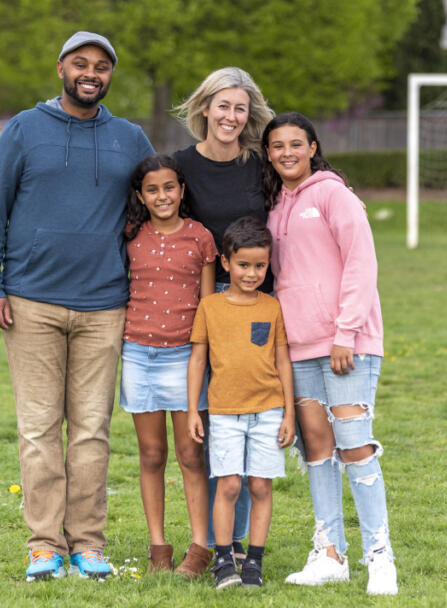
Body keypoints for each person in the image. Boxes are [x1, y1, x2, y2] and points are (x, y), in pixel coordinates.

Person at [0, 31, 154, 582]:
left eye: (101, 66)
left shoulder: (131, 139)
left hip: (105, 306)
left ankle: (88, 545)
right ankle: (44, 545)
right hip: (30, 304)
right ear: (61, 69)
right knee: (37, 430)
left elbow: (158, 205)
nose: (91, 73)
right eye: (81, 63)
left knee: (93, 430)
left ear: (109, 76)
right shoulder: (24, 130)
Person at [262, 112, 398, 595]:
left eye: (295, 144)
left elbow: (363, 262)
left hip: (346, 344)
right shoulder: (274, 205)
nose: (286, 153)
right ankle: (330, 554)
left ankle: (380, 556)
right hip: (297, 350)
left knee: (355, 446)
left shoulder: (333, 194)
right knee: (316, 449)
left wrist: (346, 332)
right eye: (276, 146)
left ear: (313, 146)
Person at [173, 66, 275, 562]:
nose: (231, 116)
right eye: (223, 106)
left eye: (240, 108)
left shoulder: (260, 167)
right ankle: (213, 542)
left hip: (254, 309)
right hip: (201, 310)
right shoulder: (181, 167)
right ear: (205, 108)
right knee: (210, 428)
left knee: (245, 421)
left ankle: (230, 545)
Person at [120, 154, 217, 577]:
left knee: (191, 454)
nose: (163, 196)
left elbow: (209, 308)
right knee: (152, 453)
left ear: (181, 190)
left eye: (170, 187)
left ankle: (200, 546)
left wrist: (202, 355)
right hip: (138, 354)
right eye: (153, 189)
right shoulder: (130, 236)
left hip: (184, 357)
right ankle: (158, 546)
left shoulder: (200, 238)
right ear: (141, 195)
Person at [187, 216, 295, 589]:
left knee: (261, 486)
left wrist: (289, 416)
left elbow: (282, 361)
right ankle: (223, 562)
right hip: (224, 412)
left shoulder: (272, 307)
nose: (252, 273)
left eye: (260, 266)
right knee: (230, 485)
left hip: (268, 411)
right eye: (244, 265)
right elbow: (198, 361)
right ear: (227, 263)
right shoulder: (210, 308)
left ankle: (254, 563)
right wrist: (192, 411)